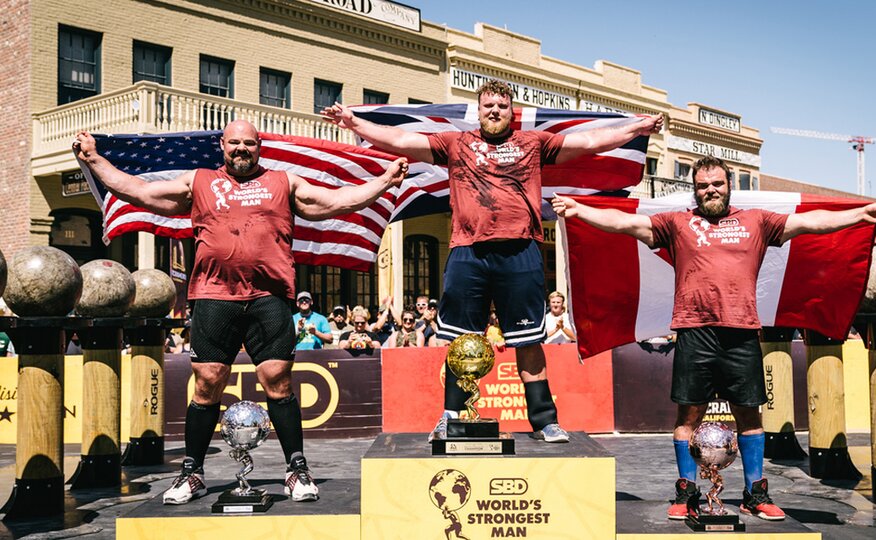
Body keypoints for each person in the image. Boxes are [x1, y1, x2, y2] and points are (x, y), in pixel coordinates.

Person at [74, 120, 408, 505]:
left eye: (248, 143)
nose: (241, 149)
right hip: (214, 296)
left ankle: (297, 470)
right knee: (207, 383)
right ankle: (192, 472)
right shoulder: (199, 181)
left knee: (278, 381)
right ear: (223, 145)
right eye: (234, 143)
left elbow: (335, 202)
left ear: (259, 146)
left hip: (269, 297)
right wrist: (94, 160)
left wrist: (385, 180)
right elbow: (141, 191)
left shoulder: (283, 182)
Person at [552, 155, 876, 521]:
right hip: (694, 331)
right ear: (694, 190)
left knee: (749, 416)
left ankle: (755, 495)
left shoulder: (757, 221)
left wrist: (860, 214)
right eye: (703, 186)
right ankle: (686, 493)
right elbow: (626, 223)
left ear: (729, 186)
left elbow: (809, 221)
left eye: (717, 184)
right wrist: (579, 210)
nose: (710, 190)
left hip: (741, 333)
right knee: (687, 417)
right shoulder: (677, 222)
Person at [324, 80, 663, 444]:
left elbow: (590, 141)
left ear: (512, 112)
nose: (495, 111)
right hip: (468, 252)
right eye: (489, 106)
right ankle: (452, 415)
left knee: (528, 341)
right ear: (479, 111)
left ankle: (545, 421)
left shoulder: (533, 143)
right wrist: (353, 122)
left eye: (502, 106)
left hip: (521, 252)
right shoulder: (456, 143)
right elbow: (402, 140)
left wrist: (637, 127)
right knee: (460, 341)